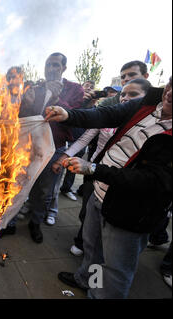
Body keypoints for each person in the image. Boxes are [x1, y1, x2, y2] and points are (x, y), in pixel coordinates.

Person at [46, 76, 172, 299]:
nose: (170, 93)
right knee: (92, 248)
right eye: (171, 85)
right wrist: (69, 115)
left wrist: (94, 169)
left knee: (114, 270)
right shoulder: (151, 101)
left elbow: (150, 181)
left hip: (131, 212)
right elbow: (108, 114)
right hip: (99, 192)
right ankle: (87, 281)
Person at [53, 78, 152, 257]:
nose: (125, 98)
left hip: (120, 189)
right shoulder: (109, 116)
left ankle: (95, 274)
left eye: (134, 94)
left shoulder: (147, 126)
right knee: (88, 217)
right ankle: (84, 255)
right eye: (123, 94)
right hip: (94, 177)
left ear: (146, 98)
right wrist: (64, 157)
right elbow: (85, 138)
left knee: (111, 249)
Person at [0, 53, 83, 242]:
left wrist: (57, 99)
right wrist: (24, 104)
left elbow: (75, 115)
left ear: (63, 68)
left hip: (54, 148)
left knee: (43, 191)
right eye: (48, 65)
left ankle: (35, 223)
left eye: (55, 65)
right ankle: (8, 223)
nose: (51, 69)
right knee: (16, 185)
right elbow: (24, 117)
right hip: (28, 147)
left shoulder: (74, 89)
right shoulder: (35, 88)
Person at [85, 60, 149, 108]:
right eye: (123, 77)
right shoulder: (109, 103)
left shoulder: (157, 100)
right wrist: (88, 107)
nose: (126, 79)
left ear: (145, 76)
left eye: (132, 75)